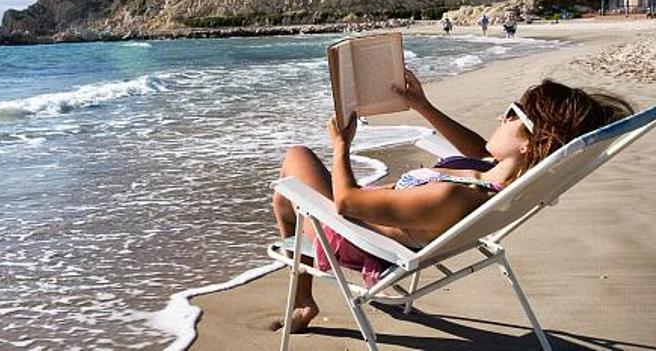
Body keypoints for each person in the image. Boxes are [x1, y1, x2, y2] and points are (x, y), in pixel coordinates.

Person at [271, 71, 633, 332]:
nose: (500, 117)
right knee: (293, 186)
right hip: (387, 218)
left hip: (352, 234)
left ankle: (303, 297)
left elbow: (347, 203)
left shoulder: (452, 196)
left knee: (294, 162)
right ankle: (303, 295)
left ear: (528, 143)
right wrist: (420, 104)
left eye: (512, 113)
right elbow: (477, 150)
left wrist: (341, 145)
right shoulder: (501, 180)